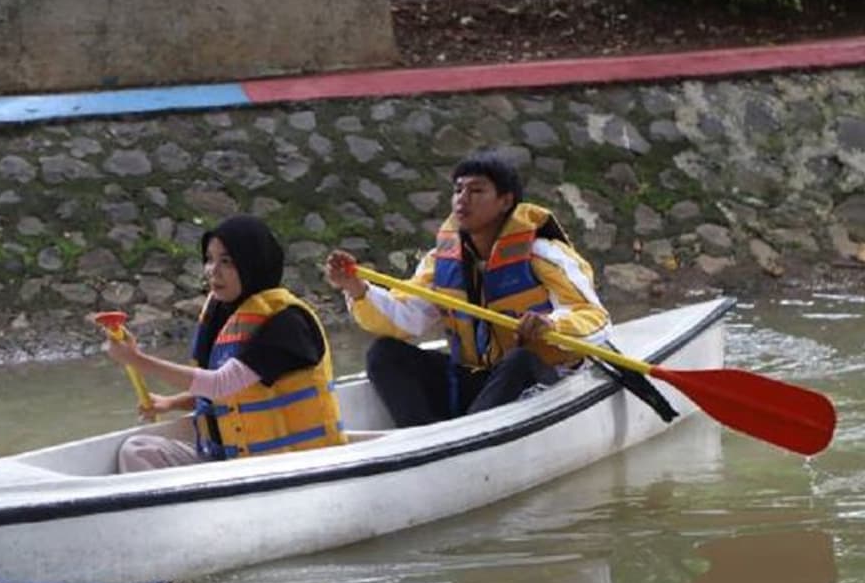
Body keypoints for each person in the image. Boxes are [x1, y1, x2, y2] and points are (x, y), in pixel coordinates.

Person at [324, 150, 612, 428]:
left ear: (505, 201)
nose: (462, 200)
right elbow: (407, 318)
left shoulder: (544, 253)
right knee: (384, 353)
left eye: (476, 191)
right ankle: (424, 438)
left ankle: (467, 436)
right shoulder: (440, 261)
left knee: (520, 359)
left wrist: (552, 324)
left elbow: (595, 318)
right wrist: (358, 289)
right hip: (478, 379)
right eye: (458, 190)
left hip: (540, 380)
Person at [101, 214, 346, 472]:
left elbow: (222, 384)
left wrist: (136, 360)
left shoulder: (288, 324)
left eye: (226, 261)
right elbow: (235, 396)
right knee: (139, 451)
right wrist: (173, 403)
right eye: (209, 259)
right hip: (232, 461)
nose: (212, 270)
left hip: (293, 466)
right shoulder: (224, 313)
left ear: (253, 265)